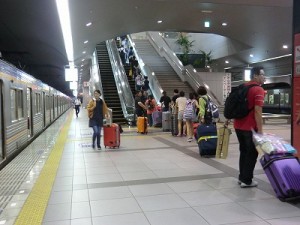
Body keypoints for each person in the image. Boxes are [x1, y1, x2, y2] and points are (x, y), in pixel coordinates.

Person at [234, 66, 265, 188]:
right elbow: (258, 111)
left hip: (238, 125)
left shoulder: (243, 87)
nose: (264, 77)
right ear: (255, 76)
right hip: (249, 127)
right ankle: (247, 180)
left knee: (244, 152)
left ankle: (242, 177)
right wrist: (260, 130)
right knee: (251, 154)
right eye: (262, 74)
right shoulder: (258, 90)